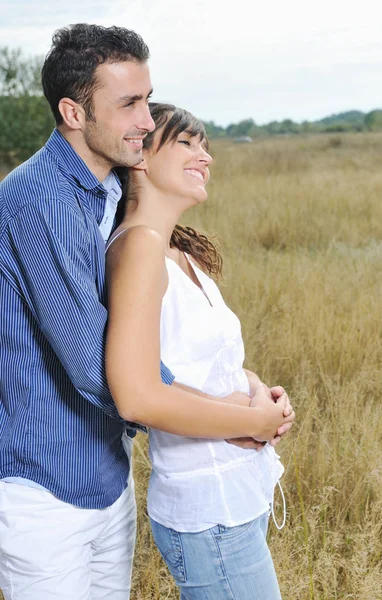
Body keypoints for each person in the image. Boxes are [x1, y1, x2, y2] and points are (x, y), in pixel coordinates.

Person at [0, 25, 294, 600]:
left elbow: (153, 341)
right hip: (46, 490)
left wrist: (242, 388)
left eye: (146, 97)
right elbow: (98, 367)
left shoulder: (103, 188)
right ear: (73, 112)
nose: (144, 120)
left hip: (107, 476)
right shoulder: (40, 201)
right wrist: (236, 413)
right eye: (129, 104)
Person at [105, 103, 295, 599]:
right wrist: (251, 422)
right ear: (140, 157)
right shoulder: (138, 250)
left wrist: (261, 395)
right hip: (207, 508)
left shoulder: (178, 252)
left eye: (204, 145)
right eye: (186, 143)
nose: (204, 156)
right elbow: (139, 392)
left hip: (236, 496)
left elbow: (211, 363)